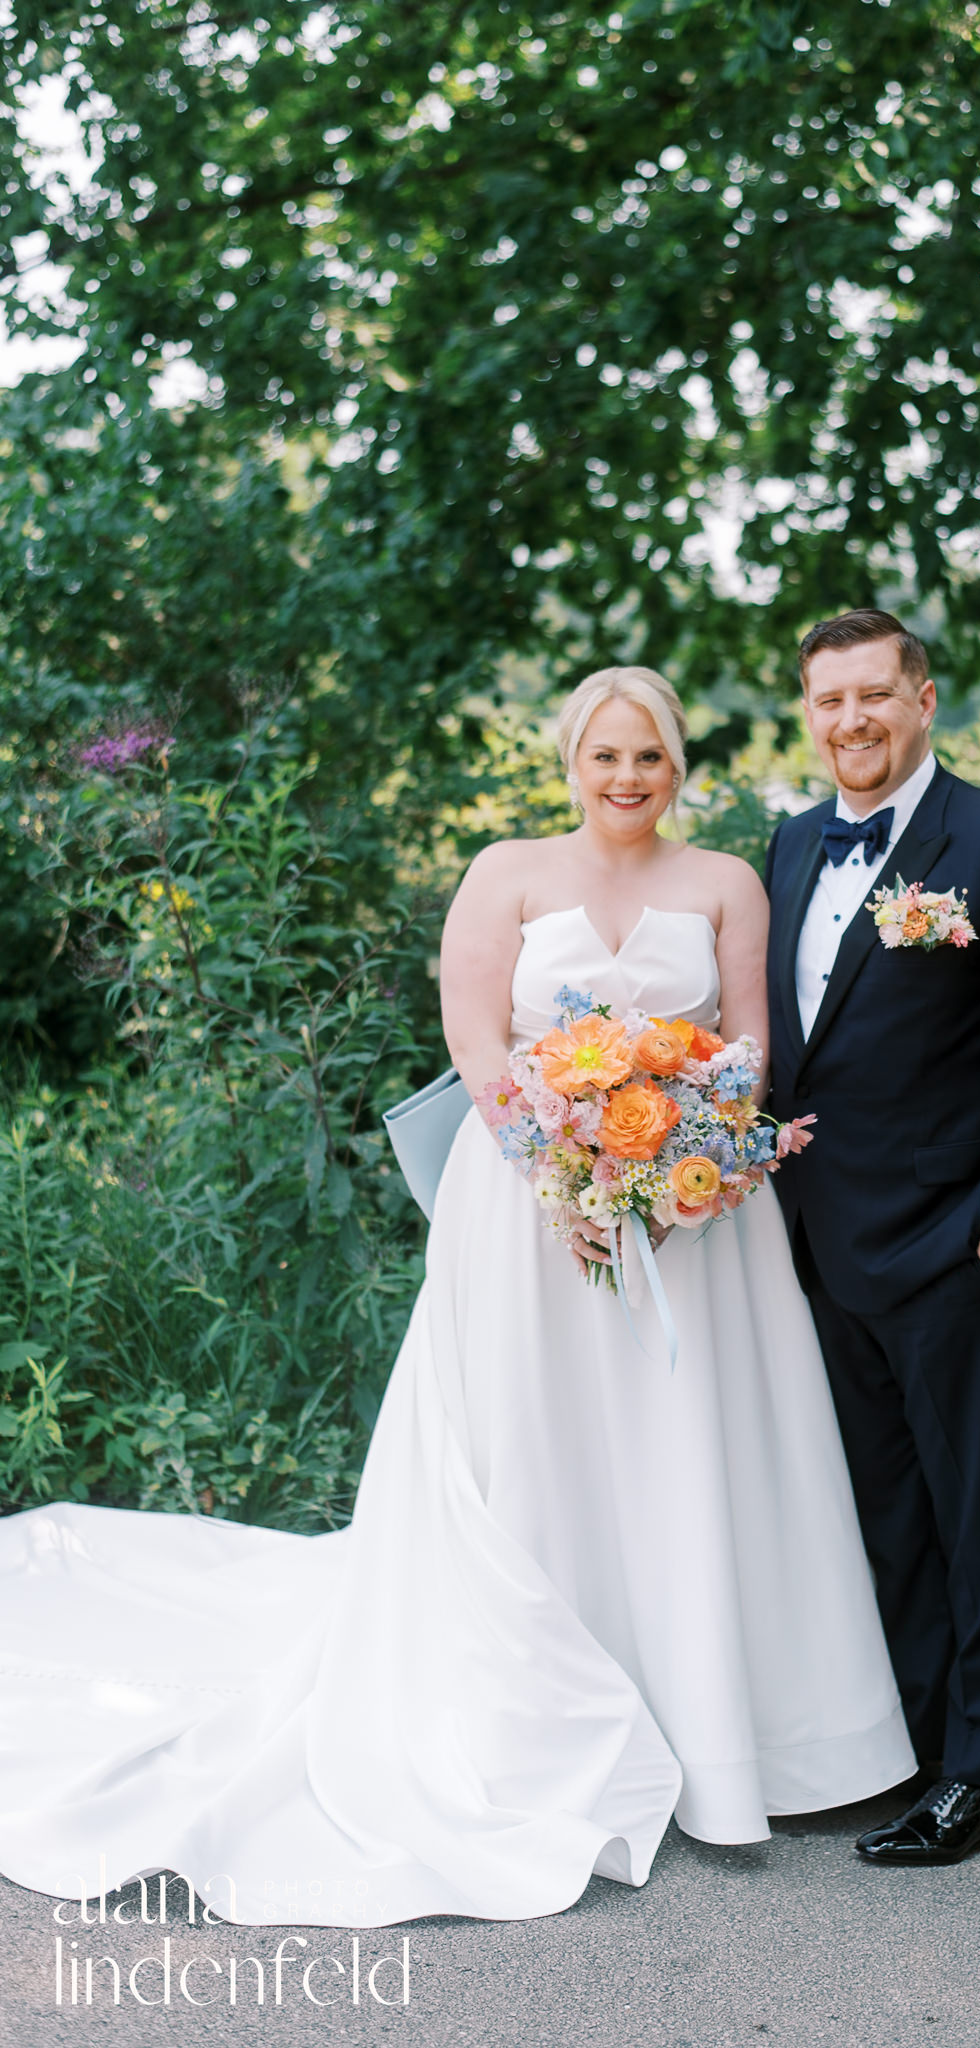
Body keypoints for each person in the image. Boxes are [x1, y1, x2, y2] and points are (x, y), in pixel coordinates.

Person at [0, 664, 913, 1929]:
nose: (626, 779)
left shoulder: (723, 884)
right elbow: (475, 1037)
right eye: (604, 757)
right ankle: (531, 1716)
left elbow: (752, 1047)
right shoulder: (507, 873)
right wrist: (567, 1151)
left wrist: (669, 1147)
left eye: (647, 757)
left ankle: (738, 1733)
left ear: (677, 764)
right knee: (540, 1441)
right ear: (569, 763)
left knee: (693, 1445)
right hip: (530, 1207)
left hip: (697, 1210)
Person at [765, 610, 980, 1868]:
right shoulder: (791, 844)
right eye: (826, 699)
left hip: (953, 1251)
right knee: (884, 1515)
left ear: (921, 698)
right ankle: (914, 1746)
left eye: (870, 694)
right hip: (820, 1248)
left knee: (973, 1515)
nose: (847, 719)